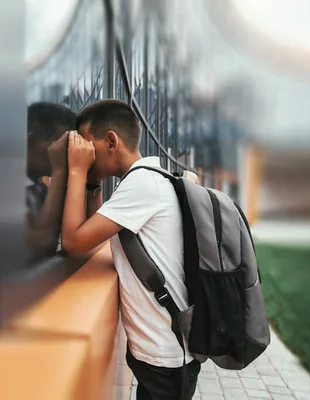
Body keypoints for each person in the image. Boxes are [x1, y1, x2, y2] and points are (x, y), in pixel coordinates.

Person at [60, 99, 200, 400]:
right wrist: (92, 182)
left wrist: (76, 171)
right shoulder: (145, 180)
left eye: (86, 146)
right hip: (162, 352)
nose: (83, 153)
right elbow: (91, 235)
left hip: (166, 357)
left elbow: (73, 242)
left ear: (111, 141)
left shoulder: (141, 186)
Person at [26, 102, 78, 259]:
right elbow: (36, 249)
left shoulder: (39, 189)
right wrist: (59, 171)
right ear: (32, 143)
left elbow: (80, 235)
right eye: (62, 146)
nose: (66, 154)